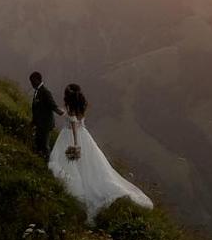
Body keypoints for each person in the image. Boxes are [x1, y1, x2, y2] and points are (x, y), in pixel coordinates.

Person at [48, 83, 153, 221]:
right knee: (90, 165)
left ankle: (81, 186)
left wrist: (75, 144)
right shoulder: (81, 105)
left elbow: (73, 125)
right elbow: (78, 121)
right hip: (84, 135)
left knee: (69, 162)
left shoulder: (71, 108)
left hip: (71, 136)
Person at [29, 71, 63, 158]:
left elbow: (52, 105)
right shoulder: (37, 91)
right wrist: (33, 121)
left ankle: (48, 161)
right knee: (38, 144)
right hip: (39, 124)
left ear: (37, 80)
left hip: (45, 124)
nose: (31, 84)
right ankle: (41, 160)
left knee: (45, 145)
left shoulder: (45, 92)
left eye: (32, 81)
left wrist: (61, 113)